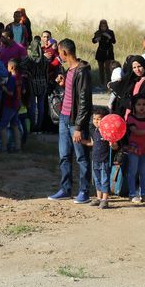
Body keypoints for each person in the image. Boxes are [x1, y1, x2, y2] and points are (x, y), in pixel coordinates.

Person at [47, 39, 93, 204]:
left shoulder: (82, 72)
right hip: (64, 118)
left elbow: (84, 102)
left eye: (60, 52)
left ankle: (84, 191)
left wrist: (79, 127)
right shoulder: (70, 70)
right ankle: (65, 189)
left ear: (65, 52)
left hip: (75, 121)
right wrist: (63, 83)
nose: (59, 55)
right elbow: (72, 93)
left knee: (81, 157)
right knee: (64, 156)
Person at [124, 95, 145, 203]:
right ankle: (132, 194)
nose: (141, 107)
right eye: (138, 104)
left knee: (143, 172)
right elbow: (135, 131)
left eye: (144, 104)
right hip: (134, 148)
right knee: (132, 171)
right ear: (134, 106)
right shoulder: (131, 118)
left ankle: (144, 194)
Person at [0, 59, 22, 153]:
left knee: (2, 126)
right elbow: (23, 90)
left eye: (7, 66)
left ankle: (3, 148)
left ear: (12, 67)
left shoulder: (12, 78)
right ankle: (18, 147)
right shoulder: (19, 77)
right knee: (15, 126)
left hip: (10, 105)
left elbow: (10, 93)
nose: (6, 67)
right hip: (17, 104)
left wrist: (2, 86)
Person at [88, 106, 112, 209]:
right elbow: (93, 143)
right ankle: (98, 198)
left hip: (104, 160)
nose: (96, 121)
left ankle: (105, 200)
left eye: (99, 119)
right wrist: (82, 142)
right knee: (96, 180)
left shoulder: (107, 132)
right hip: (95, 159)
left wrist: (113, 144)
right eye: (94, 119)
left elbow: (114, 146)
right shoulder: (95, 131)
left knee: (104, 180)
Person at [92, 20, 116, 86]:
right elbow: (93, 41)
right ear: (100, 26)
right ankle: (101, 84)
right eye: (102, 26)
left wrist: (109, 36)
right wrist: (96, 39)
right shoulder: (98, 32)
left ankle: (109, 84)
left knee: (108, 69)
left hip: (108, 52)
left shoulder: (110, 32)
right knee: (101, 69)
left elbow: (114, 41)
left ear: (106, 26)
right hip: (100, 52)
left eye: (104, 26)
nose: (103, 28)